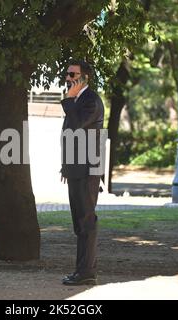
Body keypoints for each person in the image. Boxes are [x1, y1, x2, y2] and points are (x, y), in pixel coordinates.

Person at [60, 60, 104, 286]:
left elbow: (77, 124)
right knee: (79, 222)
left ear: (85, 77)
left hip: (87, 168)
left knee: (86, 220)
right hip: (76, 168)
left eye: (72, 74)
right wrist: (66, 167)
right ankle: (83, 271)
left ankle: (87, 271)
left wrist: (68, 100)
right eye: (67, 74)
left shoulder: (91, 101)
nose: (68, 77)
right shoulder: (79, 100)